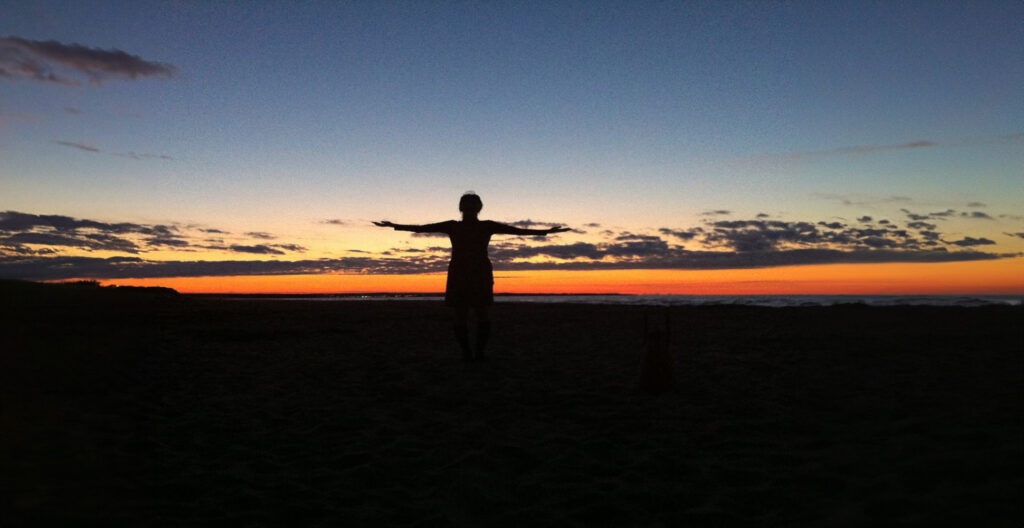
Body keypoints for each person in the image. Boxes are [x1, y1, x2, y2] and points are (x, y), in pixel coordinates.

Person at [374, 192, 570, 361]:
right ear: (463, 207)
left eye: (472, 204)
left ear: (478, 207)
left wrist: (546, 231)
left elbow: (519, 231)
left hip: (478, 273)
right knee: (465, 314)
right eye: (468, 204)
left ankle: (476, 353)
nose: (470, 208)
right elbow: (420, 228)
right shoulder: (454, 226)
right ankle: (469, 354)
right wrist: (394, 225)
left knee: (479, 314)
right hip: (462, 273)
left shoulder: (484, 226)